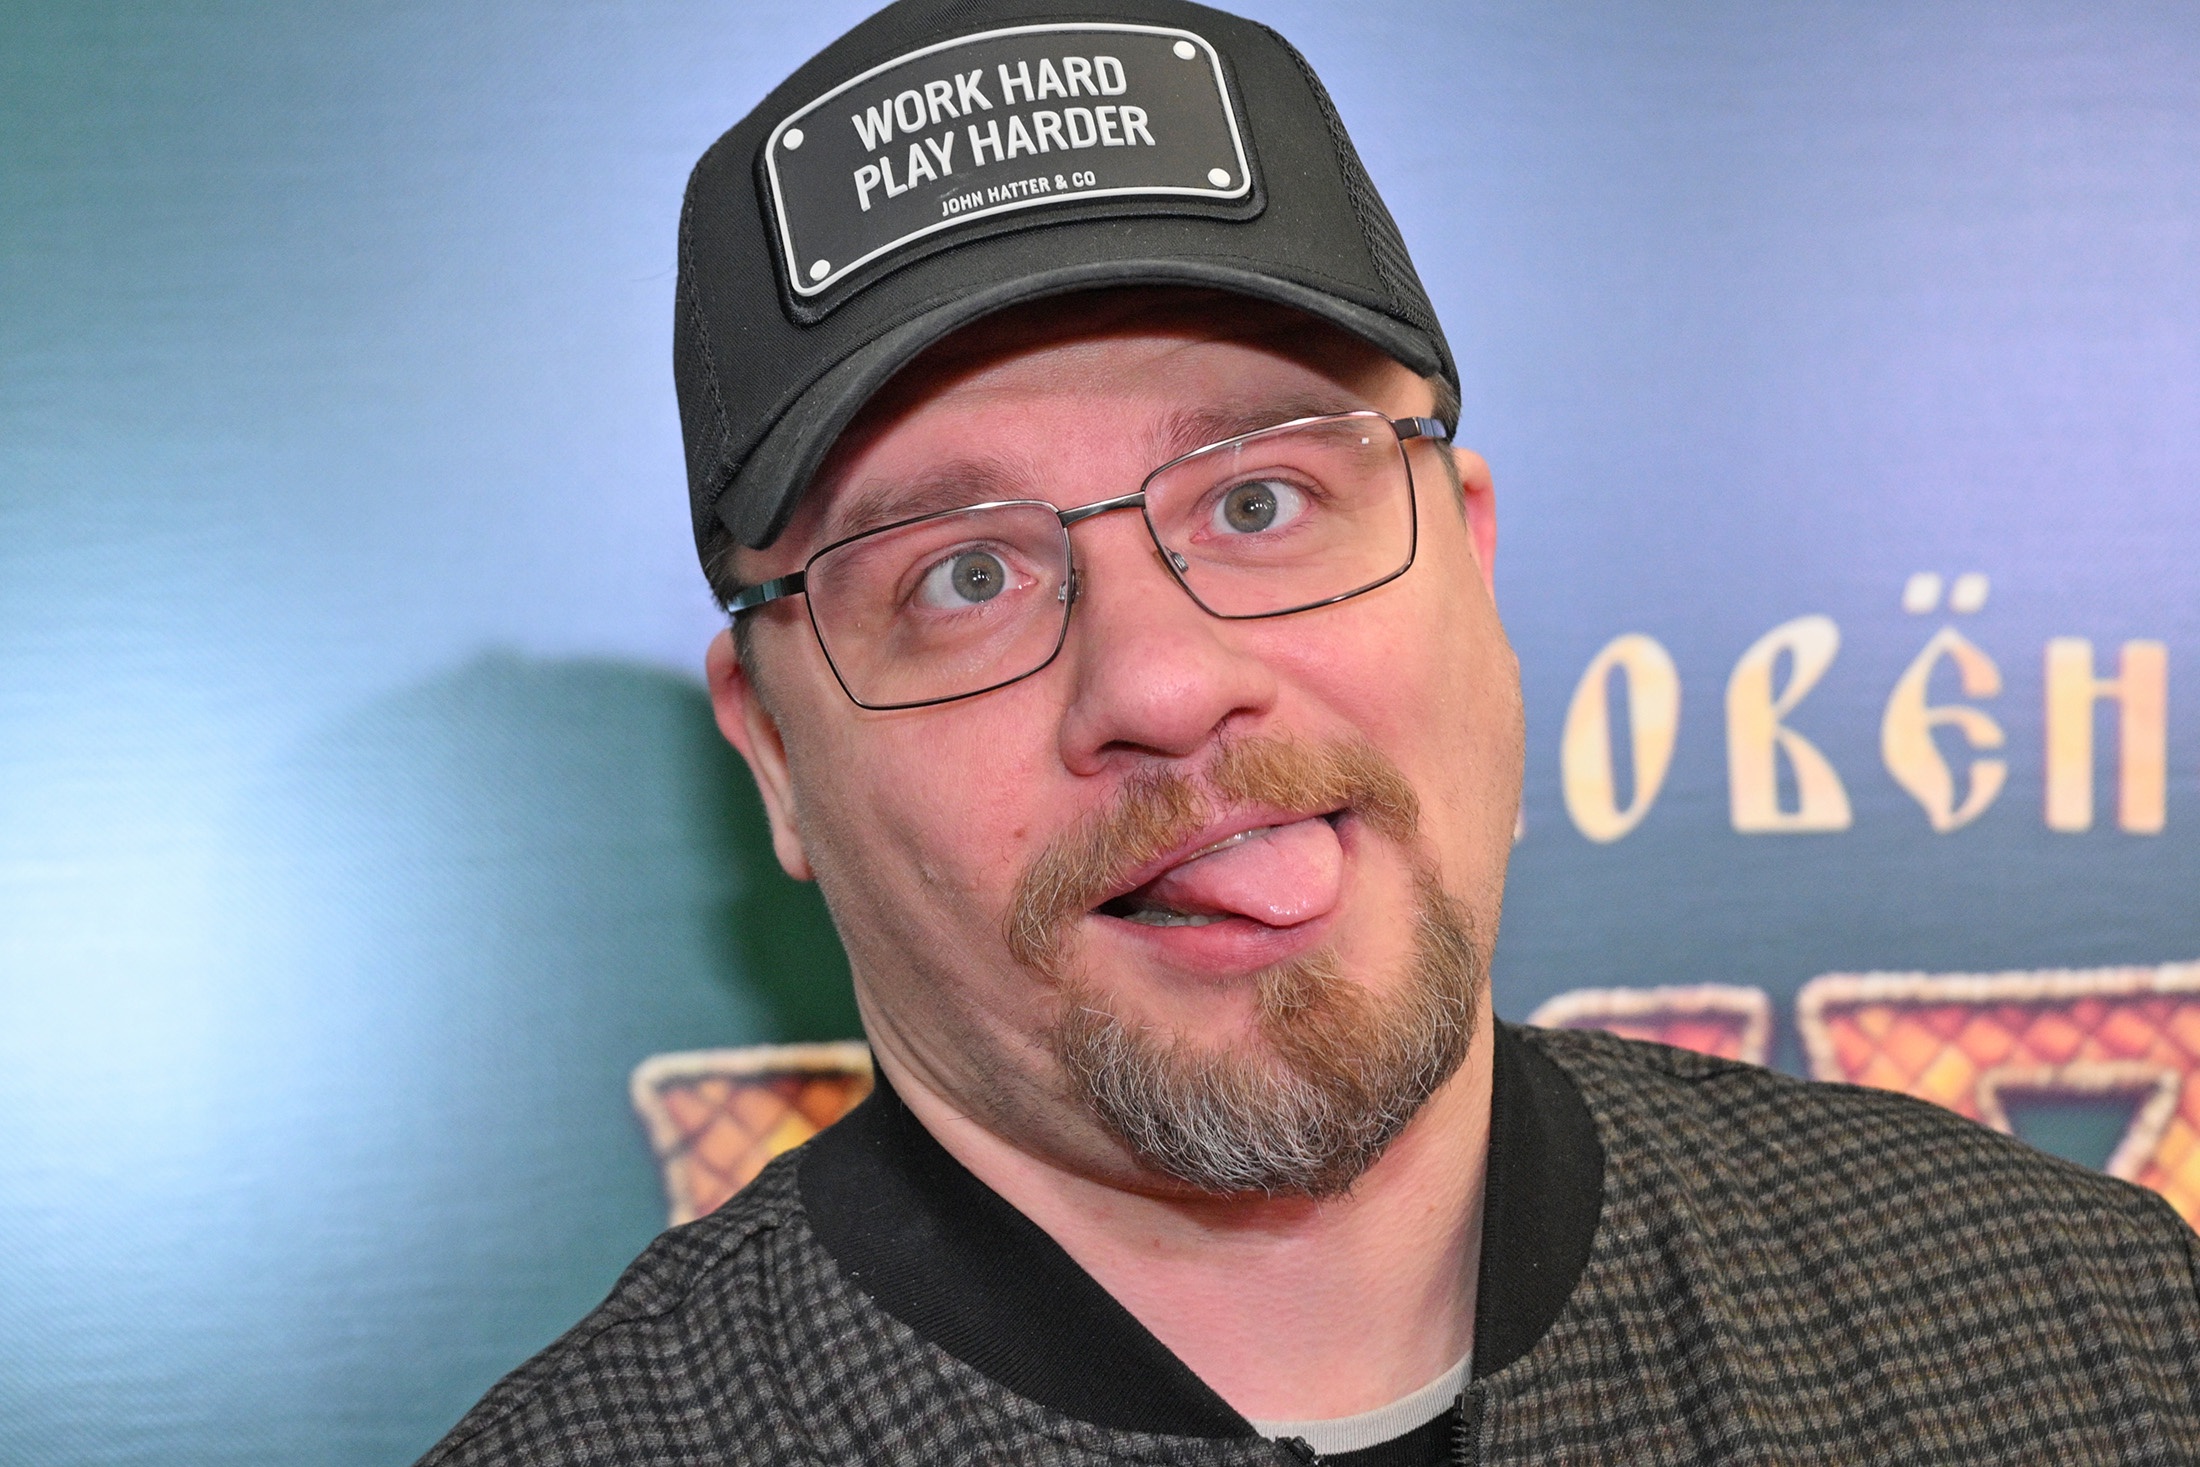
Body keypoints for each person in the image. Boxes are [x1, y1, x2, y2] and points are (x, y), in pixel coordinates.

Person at [421, 1, 2200, 1461]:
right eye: (962, 577)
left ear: (1472, 563)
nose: (1164, 683)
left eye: (1261, 501)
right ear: (777, 757)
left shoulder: (2091, 1337)